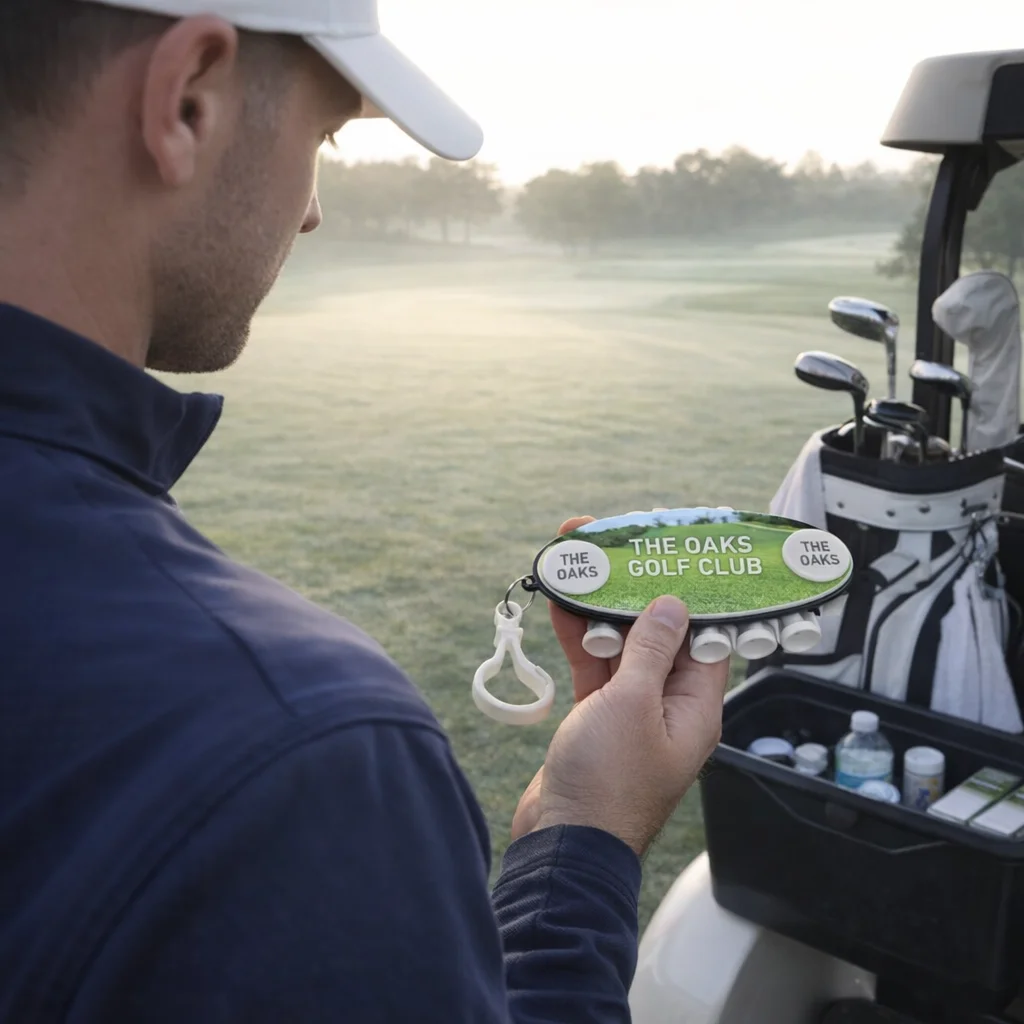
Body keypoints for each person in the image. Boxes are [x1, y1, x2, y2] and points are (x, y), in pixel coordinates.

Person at [0, 0, 730, 1020]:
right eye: (326, 134)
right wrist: (583, 821)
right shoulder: (302, 748)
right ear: (190, 100)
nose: (309, 211)